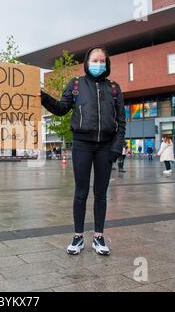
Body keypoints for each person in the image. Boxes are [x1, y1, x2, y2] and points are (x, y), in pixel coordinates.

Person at [40, 46, 126, 256]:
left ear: (107, 64)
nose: (98, 64)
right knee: (81, 193)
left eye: (102, 61)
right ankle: (78, 236)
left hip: (106, 146)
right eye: (94, 60)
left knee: (101, 194)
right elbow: (61, 109)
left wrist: (117, 146)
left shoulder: (114, 88)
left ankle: (98, 237)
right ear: (87, 62)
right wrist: (41, 96)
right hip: (82, 145)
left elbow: (121, 121)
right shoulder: (76, 84)